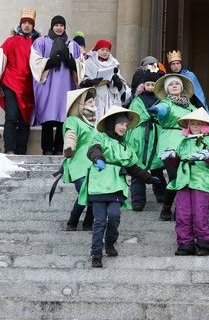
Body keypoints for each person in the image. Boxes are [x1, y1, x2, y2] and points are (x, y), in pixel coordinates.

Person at [78, 106, 160, 268]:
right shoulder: (101, 138)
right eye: (121, 124)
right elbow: (93, 150)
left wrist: (149, 178)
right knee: (100, 221)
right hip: (99, 185)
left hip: (116, 186)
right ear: (112, 124)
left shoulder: (127, 146)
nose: (124, 127)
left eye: (126, 125)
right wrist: (98, 159)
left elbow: (133, 168)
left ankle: (110, 242)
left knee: (115, 216)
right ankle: (96, 253)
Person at [160, 108, 209, 256]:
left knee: (199, 213)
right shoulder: (183, 142)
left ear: (204, 125)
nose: (194, 126)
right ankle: (185, 244)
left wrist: (207, 154)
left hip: (202, 181)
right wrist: (171, 156)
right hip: (183, 182)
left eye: (198, 123)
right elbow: (177, 162)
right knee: (182, 214)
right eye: (192, 123)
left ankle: (204, 243)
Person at [147, 73, 197, 221]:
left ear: (181, 87)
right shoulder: (166, 103)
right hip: (169, 143)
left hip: (187, 143)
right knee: (175, 176)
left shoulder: (191, 106)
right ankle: (167, 207)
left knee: (187, 178)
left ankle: (181, 210)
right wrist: (157, 110)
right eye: (170, 84)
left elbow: (201, 119)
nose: (174, 86)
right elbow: (163, 108)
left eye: (177, 83)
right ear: (167, 89)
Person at [30, 15, 83, 155]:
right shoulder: (41, 42)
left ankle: (59, 148)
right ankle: (47, 148)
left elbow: (81, 63)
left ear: (65, 27)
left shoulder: (73, 45)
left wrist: (71, 63)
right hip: (47, 85)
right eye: (56, 25)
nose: (59, 28)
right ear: (52, 26)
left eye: (61, 25)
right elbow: (35, 61)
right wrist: (50, 62)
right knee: (47, 116)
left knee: (63, 117)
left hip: (66, 85)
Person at [0, 7, 40, 155]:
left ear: (33, 26)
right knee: (12, 118)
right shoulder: (10, 41)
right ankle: (10, 149)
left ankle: (21, 150)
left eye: (29, 23)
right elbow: (0, 60)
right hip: (10, 84)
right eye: (24, 22)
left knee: (25, 121)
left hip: (29, 88)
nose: (27, 25)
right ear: (20, 24)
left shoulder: (37, 44)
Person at [125, 69, 167, 211]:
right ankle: (137, 201)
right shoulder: (137, 100)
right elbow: (132, 118)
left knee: (157, 169)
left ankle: (161, 193)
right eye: (147, 84)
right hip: (139, 138)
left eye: (152, 84)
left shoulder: (162, 101)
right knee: (137, 171)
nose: (150, 87)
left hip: (156, 136)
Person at [62, 87, 97, 231]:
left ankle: (88, 223)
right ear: (80, 105)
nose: (93, 104)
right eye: (89, 102)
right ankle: (72, 221)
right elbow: (71, 135)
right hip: (78, 164)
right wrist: (69, 146)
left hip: (92, 164)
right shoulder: (73, 120)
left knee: (95, 193)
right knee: (85, 191)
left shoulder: (92, 124)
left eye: (93, 101)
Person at [80, 39, 132, 121]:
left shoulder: (113, 63)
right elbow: (82, 81)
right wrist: (93, 81)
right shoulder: (89, 63)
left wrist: (117, 81)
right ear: (97, 50)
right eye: (102, 50)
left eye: (107, 50)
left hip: (111, 96)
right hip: (97, 96)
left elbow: (121, 84)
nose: (105, 52)